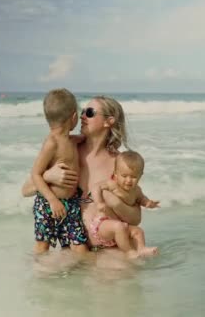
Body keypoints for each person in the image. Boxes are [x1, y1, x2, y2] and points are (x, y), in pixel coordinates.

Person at [22, 95, 144, 251]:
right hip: (74, 249)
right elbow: (25, 190)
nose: (82, 116)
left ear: (109, 121)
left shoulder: (119, 163)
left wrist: (114, 202)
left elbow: (136, 218)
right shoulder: (67, 150)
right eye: (83, 111)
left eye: (90, 112)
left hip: (107, 248)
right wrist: (49, 176)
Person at [29, 88, 88, 255]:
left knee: (79, 247)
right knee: (43, 246)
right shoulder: (51, 143)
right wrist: (53, 200)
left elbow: (82, 138)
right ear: (74, 117)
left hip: (71, 204)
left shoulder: (71, 140)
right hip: (48, 204)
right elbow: (36, 174)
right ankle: (39, 276)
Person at [90, 150, 159, 258]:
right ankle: (129, 252)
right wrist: (99, 202)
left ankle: (141, 249)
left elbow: (142, 199)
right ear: (116, 174)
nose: (128, 180)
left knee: (138, 231)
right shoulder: (112, 185)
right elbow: (95, 187)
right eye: (124, 176)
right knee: (118, 226)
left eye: (134, 177)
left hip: (123, 227)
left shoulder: (137, 190)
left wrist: (148, 203)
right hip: (102, 225)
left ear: (141, 176)